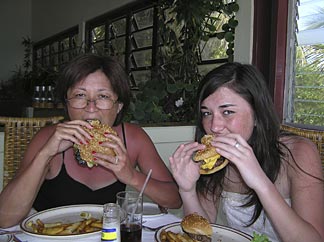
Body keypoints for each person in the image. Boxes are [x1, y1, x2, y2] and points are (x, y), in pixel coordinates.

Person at [0, 53, 181, 228]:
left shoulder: (133, 139)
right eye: (80, 95)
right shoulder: (47, 138)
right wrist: (45, 154)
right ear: (67, 104)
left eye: (102, 96)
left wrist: (131, 176)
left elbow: (174, 200)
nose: (91, 107)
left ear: (118, 106)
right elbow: (4, 219)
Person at [169, 62, 324, 242]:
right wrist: (187, 190)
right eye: (206, 113)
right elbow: (200, 237)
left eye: (227, 111)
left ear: (257, 115)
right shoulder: (215, 161)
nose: (214, 126)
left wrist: (260, 182)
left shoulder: (298, 153)